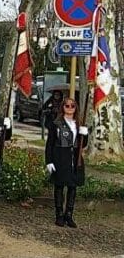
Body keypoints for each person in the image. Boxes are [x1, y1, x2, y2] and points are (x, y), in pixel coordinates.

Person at [45, 96, 87, 227]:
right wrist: (49, 161)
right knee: (59, 186)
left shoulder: (79, 123)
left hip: (75, 158)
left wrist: (85, 135)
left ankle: (69, 214)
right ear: (63, 107)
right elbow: (49, 144)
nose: (70, 108)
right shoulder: (56, 123)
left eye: (72, 106)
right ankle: (59, 215)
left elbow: (83, 145)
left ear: (76, 108)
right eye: (67, 106)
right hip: (60, 157)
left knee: (72, 186)